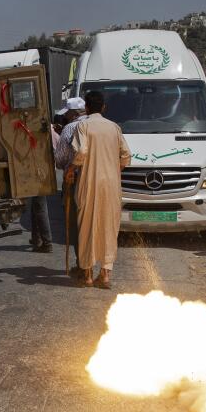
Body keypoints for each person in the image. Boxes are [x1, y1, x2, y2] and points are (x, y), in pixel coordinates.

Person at [69, 90, 131, 288]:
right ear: (103, 107)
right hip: (111, 186)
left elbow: (81, 152)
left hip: (89, 182)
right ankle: (105, 275)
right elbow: (126, 156)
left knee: (86, 227)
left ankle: (87, 275)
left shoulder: (83, 126)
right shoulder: (114, 128)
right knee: (109, 228)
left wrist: (71, 169)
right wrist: (113, 169)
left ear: (86, 107)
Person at [53, 97, 87, 272]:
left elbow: (59, 160)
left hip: (74, 181)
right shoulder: (100, 126)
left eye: (67, 114)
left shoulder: (69, 128)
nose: (65, 117)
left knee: (76, 225)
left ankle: (82, 266)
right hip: (99, 181)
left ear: (73, 114)